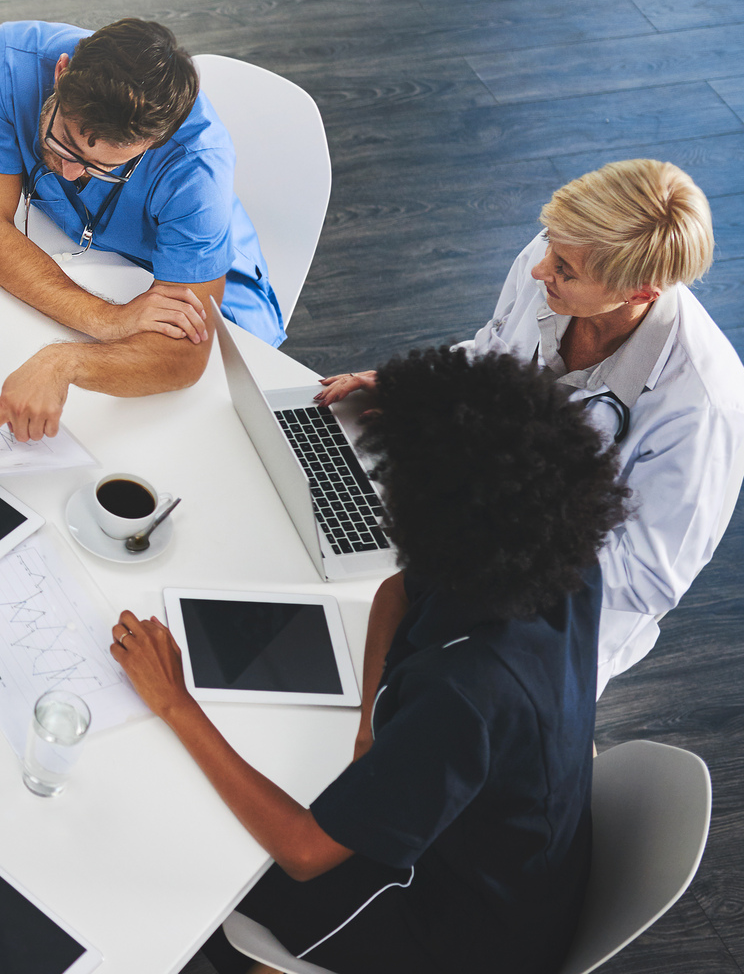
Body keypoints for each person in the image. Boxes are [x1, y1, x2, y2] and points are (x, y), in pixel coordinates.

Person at [121, 348, 628, 974]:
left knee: (205, 864)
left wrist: (176, 701)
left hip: (458, 929)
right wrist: (370, 729)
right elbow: (397, 590)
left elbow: (304, 852)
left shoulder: (468, 693)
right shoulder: (555, 558)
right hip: (514, 852)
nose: (386, 493)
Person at [316, 160, 744, 696]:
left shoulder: (704, 408)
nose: (541, 269)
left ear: (640, 294)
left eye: (564, 268)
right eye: (549, 243)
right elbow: (495, 358)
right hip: (469, 536)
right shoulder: (555, 258)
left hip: (550, 623)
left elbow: (647, 578)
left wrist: (496, 535)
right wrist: (416, 386)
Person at [0, 18, 281, 453]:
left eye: (106, 167)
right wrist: (110, 319)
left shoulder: (198, 168)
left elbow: (184, 359)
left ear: (155, 143)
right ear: (60, 73)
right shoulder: (7, 61)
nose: (73, 173)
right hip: (91, 266)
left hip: (211, 297)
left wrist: (64, 362)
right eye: (65, 144)